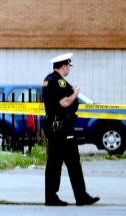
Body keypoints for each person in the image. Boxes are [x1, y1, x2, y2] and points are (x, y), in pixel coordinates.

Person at [42, 53, 99, 206]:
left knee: (55, 163)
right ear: (64, 66)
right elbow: (65, 102)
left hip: (55, 127)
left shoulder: (48, 79)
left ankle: (53, 196)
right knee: (72, 162)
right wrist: (75, 93)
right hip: (62, 129)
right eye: (69, 66)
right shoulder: (59, 82)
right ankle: (80, 196)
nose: (69, 69)